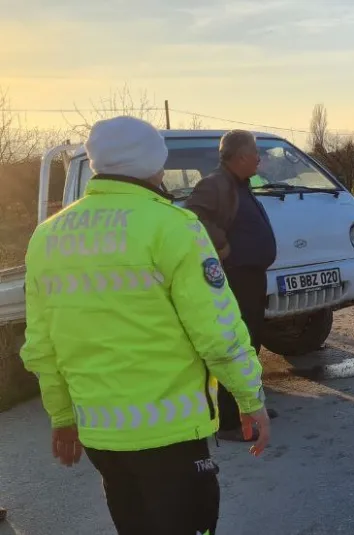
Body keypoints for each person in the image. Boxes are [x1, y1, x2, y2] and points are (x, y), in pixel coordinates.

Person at [19, 116, 270, 535]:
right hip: (170, 432)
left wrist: (63, 415)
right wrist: (250, 397)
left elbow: (41, 345)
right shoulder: (174, 226)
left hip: (101, 434)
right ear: (155, 165)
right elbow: (218, 331)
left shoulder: (47, 236)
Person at [186, 129, 279, 443]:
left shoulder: (239, 183)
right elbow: (193, 217)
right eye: (255, 153)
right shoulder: (215, 184)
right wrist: (222, 246)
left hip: (251, 276)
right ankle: (228, 421)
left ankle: (251, 406)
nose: (259, 159)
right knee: (234, 345)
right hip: (235, 278)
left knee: (252, 341)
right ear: (240, 156)